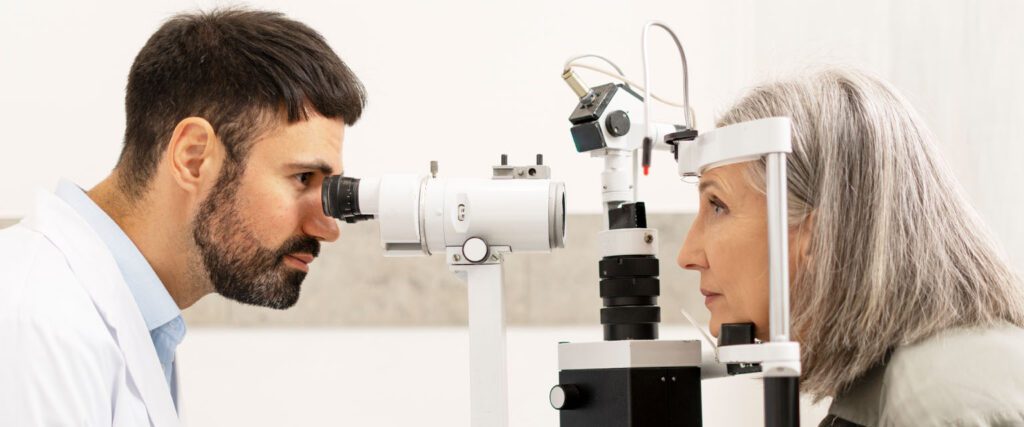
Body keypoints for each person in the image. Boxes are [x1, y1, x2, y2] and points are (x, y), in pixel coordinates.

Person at [0, 8, 365, 426]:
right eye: (303, 178)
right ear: (193, 158)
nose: (327, 228)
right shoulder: (35, 324)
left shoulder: (141, 324)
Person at [677, 68, 1024, 426]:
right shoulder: (887, 390)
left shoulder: (940, 398)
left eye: (718, 205)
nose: (686, 255)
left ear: (820, 234)